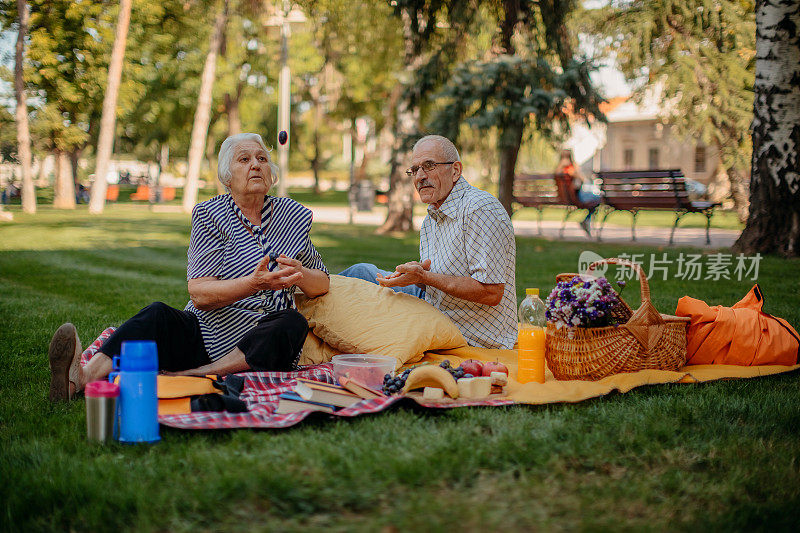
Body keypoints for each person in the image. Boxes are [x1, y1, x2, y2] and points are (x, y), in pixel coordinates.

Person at [48, 133, 330, 402]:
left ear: (270, 174)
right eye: (244, 160)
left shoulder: (294, 216)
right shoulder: (210, 215)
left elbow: (323, 283)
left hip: (261, 340)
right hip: (204, 335)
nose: (256, 164)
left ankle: (197, 375)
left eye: (262, 159)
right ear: (226, 177)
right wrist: (255, 284)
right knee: (157, 314)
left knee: (293, 323)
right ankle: (80, 379)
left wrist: (301, 274)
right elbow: (200, 294)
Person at [340, 135, 517, 350]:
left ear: (455, 171)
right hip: (437, 308)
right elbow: (437, 278)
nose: (420, 177)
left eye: (429, 166)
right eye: (414, 170)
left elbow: (491, 292)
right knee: (361, 274)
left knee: (363, 293)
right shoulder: (431, 217)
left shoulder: (479, 209)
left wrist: (425, 277)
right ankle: (300, 294)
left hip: (470, 332)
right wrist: (415, 276)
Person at [556, 149, 600, 237]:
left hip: (572, 197)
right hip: (576, 197)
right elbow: (583, 180)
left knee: (596, 199)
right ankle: (586, 220)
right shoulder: (568, 170)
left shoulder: (563, 170)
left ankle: (586, 221)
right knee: (598, 199)